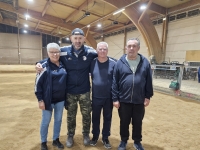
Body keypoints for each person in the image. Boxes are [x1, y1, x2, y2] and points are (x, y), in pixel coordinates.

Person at [36, 28, 98, 148]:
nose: (78, 41)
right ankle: (70, 135)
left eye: (80, 38)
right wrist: (38, 63)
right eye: (75, 38)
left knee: (86, 114)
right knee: (71, 115)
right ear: (71, 39)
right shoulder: (63, 51)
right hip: (70, 92)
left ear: (84, 39)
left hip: (84, 90)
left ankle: (86, 134)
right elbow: (52, 57)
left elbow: (102, 55)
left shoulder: (90, 52)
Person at [112, 38, 153, 150]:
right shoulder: (120, 63)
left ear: (138, 48)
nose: (131, 48)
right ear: (126, 48)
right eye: (129, 46)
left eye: (134, 46)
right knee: (124, 122)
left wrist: (148, 96)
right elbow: (115, 81)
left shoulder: (145, 62)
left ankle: (137, 142)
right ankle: (123, 141)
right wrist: (115, 98)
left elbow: (149, 80)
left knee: (138, 122)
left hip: (139, 99)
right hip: (124, 100)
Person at [35, 43, 67, 150]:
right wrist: (40, 100)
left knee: (58, 120)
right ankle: (43, 142)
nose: (55, 54)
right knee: (46, 121)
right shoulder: (43, 66)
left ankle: (55, 140)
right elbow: (37, 85)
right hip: (47, 100)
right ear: (48, 53)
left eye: (57, 52)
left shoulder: (63, 64)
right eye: (52, 52)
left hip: (60, 100)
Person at [89, 42, 116, 149]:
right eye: (100, 49)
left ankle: (105, 137)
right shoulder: (92, 63)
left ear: (107, 51)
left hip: (109, 98)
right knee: (95, 117)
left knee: (107, 118)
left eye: (104, 49)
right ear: (97, 51)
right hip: (96, 97)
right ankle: (95, 136)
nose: (102, 51)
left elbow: (116, 82)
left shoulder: (114, 63)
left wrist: (115, 97)